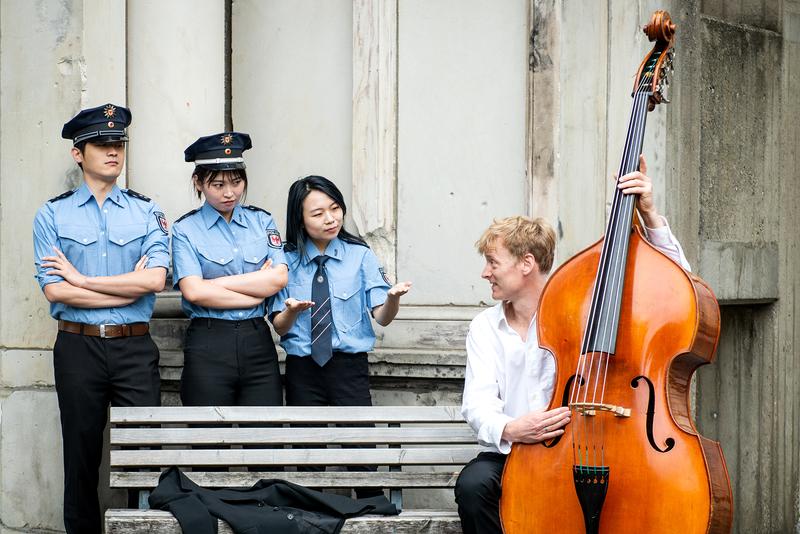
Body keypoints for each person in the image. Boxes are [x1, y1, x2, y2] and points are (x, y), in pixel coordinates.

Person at [454, 156, 691, 534]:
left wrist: (650, 216)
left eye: (492, 262)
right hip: (515, 449)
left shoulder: (582, 306)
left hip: (591, 443)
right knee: (473, 486)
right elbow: (478, 404)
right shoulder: (485, 326)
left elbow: (675, 288)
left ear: (526, 263)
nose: (485, 273)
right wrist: (513, 428)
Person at [33, 103, 169, 534]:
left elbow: (155, 281)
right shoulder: (52, 214)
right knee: (80, 456)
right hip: (78, 347)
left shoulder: (147, 211)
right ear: (79, 153)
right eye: (102, 144)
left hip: (134, 347)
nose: (113, 151)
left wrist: (84, 279)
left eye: (119, 143)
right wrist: (124, 281)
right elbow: (56, 290)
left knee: (145, 456)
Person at [269, 175, 411, 498]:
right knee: (309, 457)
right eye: (318, 213)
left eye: (335, 208)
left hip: (349, 368)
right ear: (300, 219)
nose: (330, 218)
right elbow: (279, 325)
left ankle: (370, 514)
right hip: (303, 368)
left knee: (361, 453)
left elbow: (382, 318)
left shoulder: (359, 256)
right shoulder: (285, 262)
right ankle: (312, 518)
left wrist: (392, 298)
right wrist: (291, 310)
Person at [171, 132, 287, 407]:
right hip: (209, 341)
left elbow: (279, 277)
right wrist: (257, 290)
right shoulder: (185, 229)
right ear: (198, 182)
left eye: (236, 182)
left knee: (264, 437)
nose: (229, 193)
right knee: (208, 437)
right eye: (218, 184)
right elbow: (194, 292)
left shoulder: (262, 221)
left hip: (258, 339)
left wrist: (217, 284)